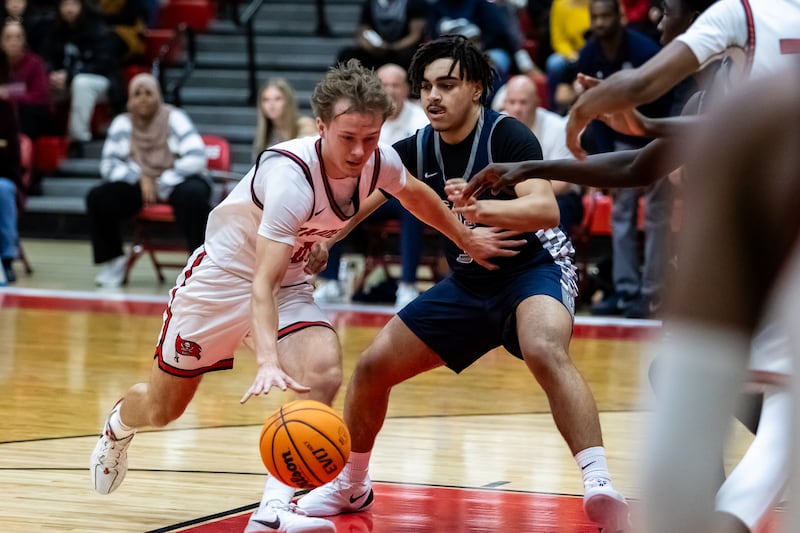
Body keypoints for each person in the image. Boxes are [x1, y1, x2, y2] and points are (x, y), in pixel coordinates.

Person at [88, 58, 518, 533]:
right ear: (321, 127)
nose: (360, 152)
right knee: (163, 409)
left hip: (287, 283)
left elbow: (415, 196)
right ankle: (117, 426)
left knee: (323, 371)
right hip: (222, 284)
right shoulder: (291, 176)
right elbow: (259, 285)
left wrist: (468, 239)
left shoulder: (378, 160)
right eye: (347, 138)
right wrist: (269, 360)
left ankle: (275, 507)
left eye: (370, 137)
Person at [296, 35, 631, 533]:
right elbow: (359, 204)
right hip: (470, 283)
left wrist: (480, 210)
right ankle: (352, 484)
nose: (433, 96)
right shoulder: (413, 149)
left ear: (475, 88)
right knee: (371, 369)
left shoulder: (507, 135)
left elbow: (545, 208)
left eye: (447, 84)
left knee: (543, 347)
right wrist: (324, 239)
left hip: (534, 269)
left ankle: (599, 482)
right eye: (426, 86)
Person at [564, 0, 800, 158]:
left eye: (665, 12)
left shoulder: (738, 12)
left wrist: (583, 107)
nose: (659, 23)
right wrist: (646, 126)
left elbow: (640, 85)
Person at [574, 0, 675, 319]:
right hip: (618, 142)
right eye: (596, 17)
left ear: (619, 17)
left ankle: (652, 293)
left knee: (658, 214)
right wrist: (609, 163)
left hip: (657, 136)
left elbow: (667, 98)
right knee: (622, 214)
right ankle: (625, 292)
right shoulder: (589, 54)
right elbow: (592, 111)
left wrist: (665, 145)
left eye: (606, 15)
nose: (600, 22)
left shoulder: (645, 49)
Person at [313, 62, 430, 307]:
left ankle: (407, 285)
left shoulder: (420, 119)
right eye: (384, 85)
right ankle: (330, 281)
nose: (390, 90)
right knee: (334, 197)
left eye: (396, 85)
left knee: (413, 204)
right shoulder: (363, 117)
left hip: (399, 194)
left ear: (406, 89)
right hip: (362, 193)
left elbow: (418, 172)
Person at [85, 73, 211, 288]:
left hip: (175, 179)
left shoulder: (174, 117)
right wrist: (139, 177)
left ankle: (200, 264)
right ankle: (115, 260)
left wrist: (162, 178)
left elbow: (197, 157)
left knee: (195, 194)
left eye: (148, 93)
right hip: (139, 183)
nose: (143, 98)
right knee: (98, 197)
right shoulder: (122, 123)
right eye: (137, 94)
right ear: (129, 99)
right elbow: (108, 165)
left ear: (158, 96)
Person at [492, 74, 583, 231]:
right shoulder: (496, 128)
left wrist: (525, 199)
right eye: (512, 102)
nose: (517, 109)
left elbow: (564, 181)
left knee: (553, 210)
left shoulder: (557, 127)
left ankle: (554, 255)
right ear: (504, 103)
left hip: (558, 196)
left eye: (523, 102)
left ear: (537, 103)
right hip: (514, 196)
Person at [39, 0, 123, 154]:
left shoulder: (97, 27)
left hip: (101, 83)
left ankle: (78, 140)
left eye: (73, 4)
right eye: (64, 4)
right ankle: (44, 138)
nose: (69, 9)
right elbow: (45, 58)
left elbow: (104, 63)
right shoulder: (54, 29)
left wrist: (70, 75)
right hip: (66, 81)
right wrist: (51, 73)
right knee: (42, 83)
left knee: (81, 83)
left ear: (82, 6)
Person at [335, 0, 427, 71]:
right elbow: (363, 31)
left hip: (402, 50)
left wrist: (391, 47)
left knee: (416, 57)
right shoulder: (370, 3)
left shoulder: (414, 3)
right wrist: (369, 45)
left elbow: (415, 35)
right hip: (376, 51)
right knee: (346, 55)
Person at [0, 20, 52, 140]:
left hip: (31, 117)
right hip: (6, 116)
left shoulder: (35, 63)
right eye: (8, 38)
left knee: (27, 112)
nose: (14, 42)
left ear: (24, 41)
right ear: (1, 42)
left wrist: (8, 94)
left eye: (18, 37)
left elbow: (39, 96)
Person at [252, 78, 317, 162]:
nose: (271, 105)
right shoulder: (264, 135)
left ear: (288, 101)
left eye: (277, 99)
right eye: (266, 100)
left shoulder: (305, 125)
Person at [0, 98, 21, 284]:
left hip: (3, 175)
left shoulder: (5, 109)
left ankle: (6, 259)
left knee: (3, 190)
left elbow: (10, 155)